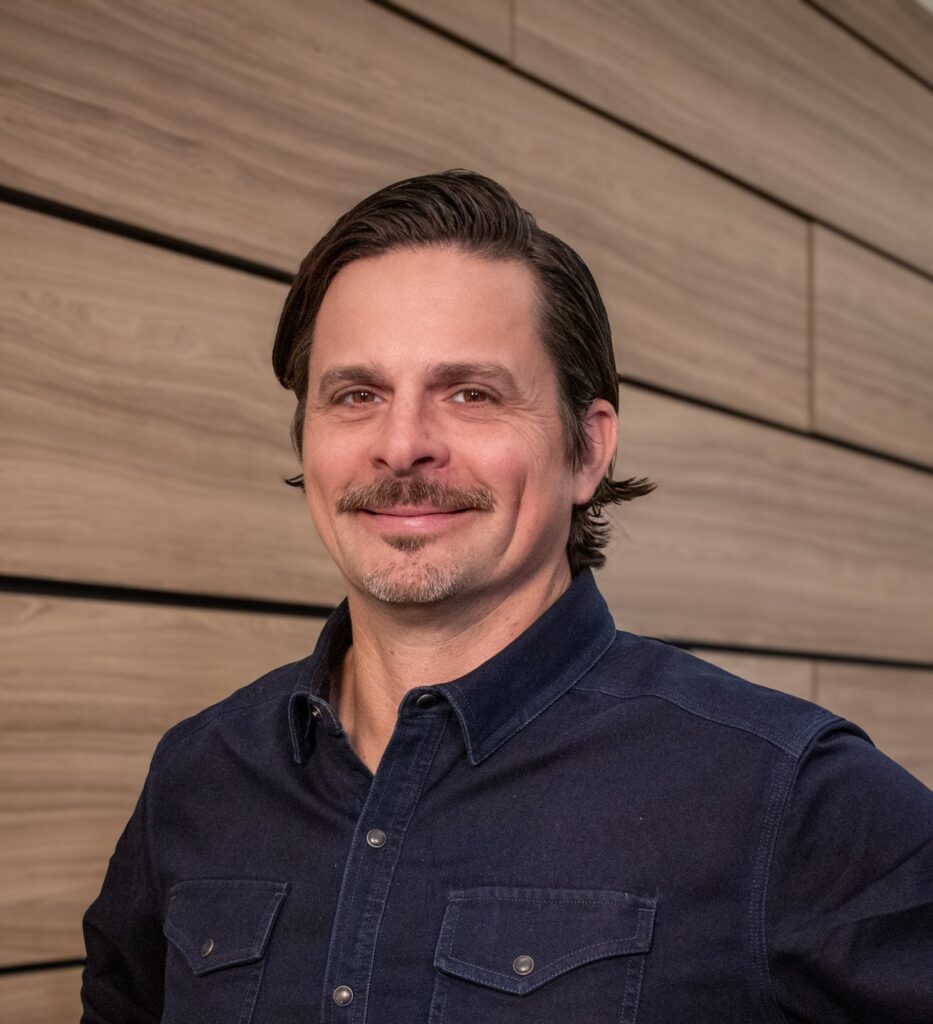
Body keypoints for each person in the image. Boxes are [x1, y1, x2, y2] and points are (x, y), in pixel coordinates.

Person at [81, 170, 933, 1024]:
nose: (402, 444)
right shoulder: (199, 777)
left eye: (470, 394)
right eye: (356, 395)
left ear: (586, 449)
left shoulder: (786, 796)